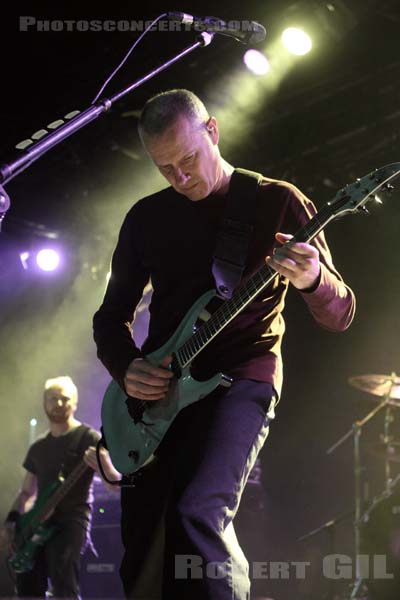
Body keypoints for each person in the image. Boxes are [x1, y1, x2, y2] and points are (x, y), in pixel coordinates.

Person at [92, 89, 356, 600]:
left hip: (243, 378)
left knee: (197, 511)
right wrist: (127, 367)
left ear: (212, 130)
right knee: (144, 539)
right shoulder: (146, 217)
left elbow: (341, 311)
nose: (180, 177)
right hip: (164, 389)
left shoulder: (276, 200)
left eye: (188, 159)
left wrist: (312, 281)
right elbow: (110, 317)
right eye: (164, 167)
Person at [1, 375, 120, 599]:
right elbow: (27, 492)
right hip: (38, 522)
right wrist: (12, 522)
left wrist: (106, 466)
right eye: (52, 398)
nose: (57, 404)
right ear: (44, 402)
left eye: (64, 399)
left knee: (63, 582)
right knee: (27, 587)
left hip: (72, 520)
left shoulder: (88, 437)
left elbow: (115, 485)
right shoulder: (38, 447)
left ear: (74, 402)